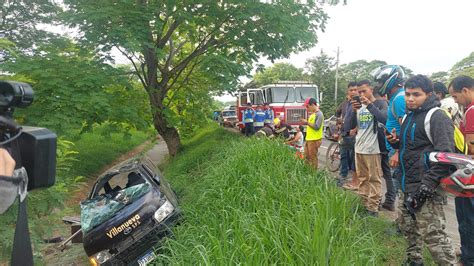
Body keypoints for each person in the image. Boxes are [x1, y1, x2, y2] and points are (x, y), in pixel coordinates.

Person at [387, 75, 456, 265]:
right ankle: (414, 261)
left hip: (427, 187)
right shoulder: (410, 116)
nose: (410, 98)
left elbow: (446, 156)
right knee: (409, 228)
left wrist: (427, 186)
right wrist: (397, 142)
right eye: (408, 94)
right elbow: (415, 147)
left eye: (416, 95)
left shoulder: (437, 116)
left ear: (429, 94)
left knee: (434, 237)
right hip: (406, 182)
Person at [347, 80, 385, 216]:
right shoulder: (359, 107)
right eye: (359, 91)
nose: (361, 94)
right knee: (362, 178)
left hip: (372, 148)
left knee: (374, 179)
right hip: (359, 147)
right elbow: (349, 126)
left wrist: (369, 105)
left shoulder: (379, 104)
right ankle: (363, 204)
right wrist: (353, 110)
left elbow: (384, 119)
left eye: (364, 91)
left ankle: (373, 208)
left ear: (371, 90)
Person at [448, 75, 474, 266]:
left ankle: (468, 258)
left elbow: (471, 146)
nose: (455, 101)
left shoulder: (472, 111)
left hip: (470, 173)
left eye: (455, 97)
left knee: (467, 217)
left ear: (465, 91)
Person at [372, 64, 406, 210]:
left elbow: (406, 127)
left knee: (403, 190)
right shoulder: (395, 98)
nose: (379, 85)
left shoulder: (399, 99)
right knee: (398, 187)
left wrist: (397, 152)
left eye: (380, 82)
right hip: (394, 148)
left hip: (399, 151)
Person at [338, 82, 359, 188]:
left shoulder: (360, 103)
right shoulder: (346, 103)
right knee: (343, 156)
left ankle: (354, 181)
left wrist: (356, 129)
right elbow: (341, 115)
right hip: (344, 134)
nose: (353, 92)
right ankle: (343, 177)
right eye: (351, 90)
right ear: (348, 91)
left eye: (355, 89)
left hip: (354, 136)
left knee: (354, 158)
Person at [300, 98, 323, 170]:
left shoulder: (319, 114)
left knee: (313, 158)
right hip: (309, 139)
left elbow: (317, 127)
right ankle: (307, 172)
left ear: (312, 105)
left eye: (307, 106)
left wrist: (306, 122)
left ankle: (313, 174)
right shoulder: (313, 114)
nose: (307, 109)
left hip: (314, 140)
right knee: (306, 158)